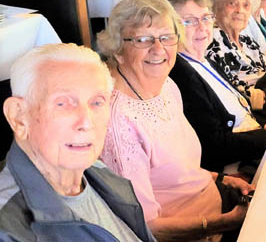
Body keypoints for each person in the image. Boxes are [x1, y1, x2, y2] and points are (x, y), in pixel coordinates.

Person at [96, 0, 253, 241]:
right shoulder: (118, 122)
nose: (158, 49)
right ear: (117, 48)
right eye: (143, 39)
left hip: (214, 201)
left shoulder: (166, 84)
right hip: (195, 232)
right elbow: (145, 227)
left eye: (167, 37)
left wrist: (223, 179)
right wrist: (223, 223)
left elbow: (178, 167)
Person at [0, 44, 155, 242]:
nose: (86, 122)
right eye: (63, 103)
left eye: (97, 102)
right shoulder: (8, 230)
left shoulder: (99, 172)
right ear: (19, 117)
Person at [165, 0, 266, 176]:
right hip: (236, 167)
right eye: (189, 21)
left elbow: (240, 107)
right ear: (170, 28)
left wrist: (265, 127)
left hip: (253, 144)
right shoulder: (180, 76)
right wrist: (265, 137)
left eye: (206, 18)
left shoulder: (204, 59)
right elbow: (213, 147)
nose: (202, 28)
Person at [205, 0, 266, 122]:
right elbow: (235, 96)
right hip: (261, 115)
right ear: (215, 7)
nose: (240, 10)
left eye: (246, 5)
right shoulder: (215, 43)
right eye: (232, 3)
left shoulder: (245, 39)